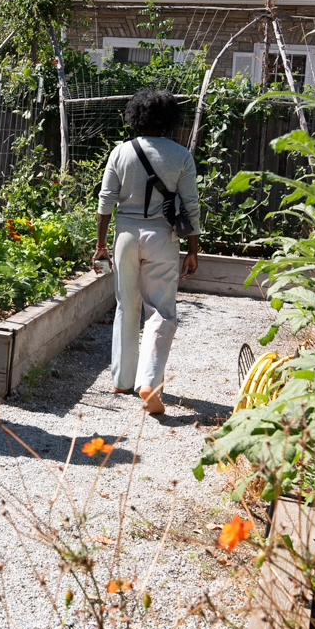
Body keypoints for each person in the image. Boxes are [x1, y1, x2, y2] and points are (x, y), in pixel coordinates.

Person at [91, 87, 202, 415]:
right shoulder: (181, 156)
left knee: (126, 306)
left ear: (136, 117)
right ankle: (150, 381)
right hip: (162, 238)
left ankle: (123, 379)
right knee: (161, 311)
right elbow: (191, 207)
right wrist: (193, 250)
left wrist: (100, 245)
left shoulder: (120, 153)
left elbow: (105, 200)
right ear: (169, 119)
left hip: (125, 235)